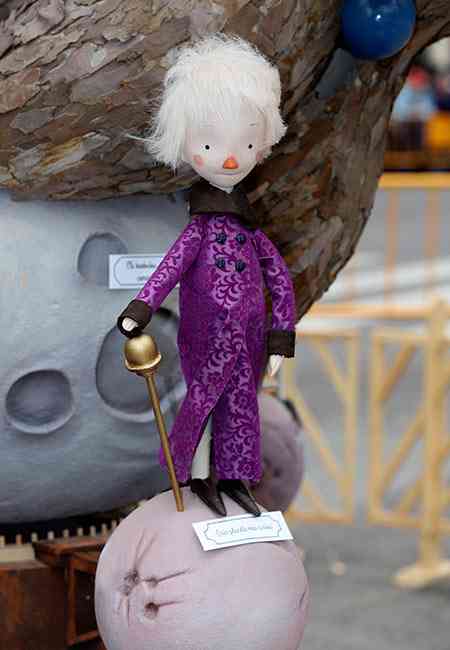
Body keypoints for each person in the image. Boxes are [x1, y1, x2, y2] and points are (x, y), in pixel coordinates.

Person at [117, 34, 296, 517]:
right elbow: (171, 267)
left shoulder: (251, 233)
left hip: (250, 336)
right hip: (206, 334)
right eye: (212, 144)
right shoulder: (199, 230)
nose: (231, 158)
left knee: (242, 405)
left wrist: (280, 337)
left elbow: (279, 280)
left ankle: (235, 478)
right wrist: (140, 308)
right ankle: (198, 476)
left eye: (247, 144)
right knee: (204, 401)